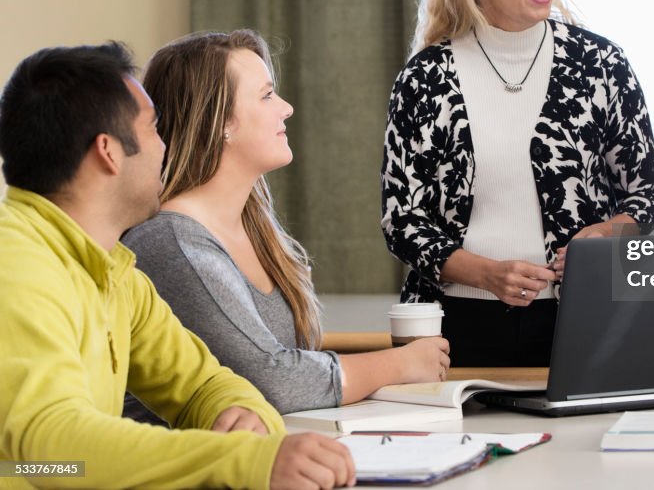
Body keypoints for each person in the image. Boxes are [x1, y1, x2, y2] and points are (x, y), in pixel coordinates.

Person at [0, 43, 355, 489]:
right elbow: (51, 455)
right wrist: (240, 461)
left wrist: (240, 417)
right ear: (108, 152)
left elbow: (204, 384)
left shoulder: (115, 272)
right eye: (153, 130)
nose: (166, 147)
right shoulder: (16, 264)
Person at [381, 0, 654, 367]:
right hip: (451, 329)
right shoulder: (425, 78)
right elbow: (403, 221)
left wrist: (606, 235)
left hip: (583, 319)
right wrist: (486, 274)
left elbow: (646, 195)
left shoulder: (600, 65)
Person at [121, 30, 449, 420]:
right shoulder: (171, 242)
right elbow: (270, 381)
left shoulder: (258, 231)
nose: (287, 108)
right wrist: (401, 363)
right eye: (266, 95)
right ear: (220, 121)